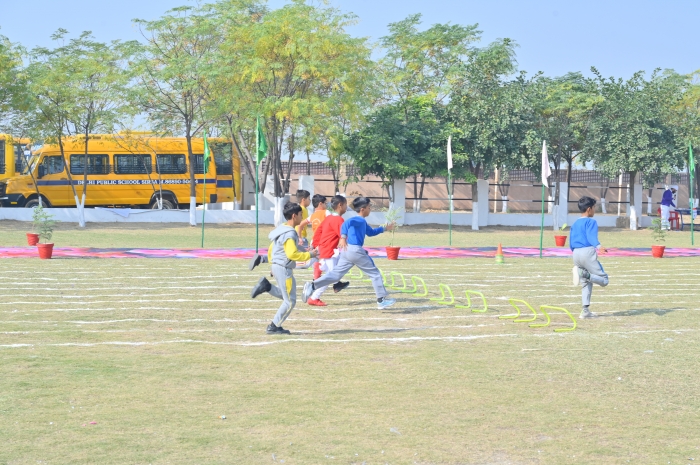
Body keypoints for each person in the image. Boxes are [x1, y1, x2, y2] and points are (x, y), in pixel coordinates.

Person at [302, 196, 396, 309]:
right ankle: (381, 300)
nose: (370, 209)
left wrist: (385, 228)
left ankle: (312, 286)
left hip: (347, 252)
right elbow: (346, 224)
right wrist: (342, 237)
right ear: (362, 209)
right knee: (374, 273)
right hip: (354, 250)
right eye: (369, 207)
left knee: (335, 275)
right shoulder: (358, 219)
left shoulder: (361, 221)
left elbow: (371, 232)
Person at [250, 202, 318, 335]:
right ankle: (273, 326)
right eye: (301, 214)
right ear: (294, 216)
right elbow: (292, 254)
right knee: (290, 301)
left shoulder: (283, 228)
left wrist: (303, 249)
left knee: (286, 295)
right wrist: (310, 255)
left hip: (278, 266)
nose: (302, 217)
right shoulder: (290, 233)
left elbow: (273, 249)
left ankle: (266, 286)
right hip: (284, 268)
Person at [307, 195, 350, 306]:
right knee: (331, 276)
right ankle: (313, 293)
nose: (347, 207)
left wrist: (314, 245)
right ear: (340, 205)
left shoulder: (329, 218)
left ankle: (331, 280)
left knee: (331, 274)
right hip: (329, 250)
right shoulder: (338, 219)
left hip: (325, 249)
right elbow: (343, 235)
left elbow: (318, 232)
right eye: (346, 204)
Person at [571, 196, 609, 319]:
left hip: (576, 253)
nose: (595, 210)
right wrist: (599, 246)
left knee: (585, 283)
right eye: (594, 207)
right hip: (587, 252)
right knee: (604, 280)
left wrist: (576, 252)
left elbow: (571, 241)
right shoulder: (591, 222)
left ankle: (585, 311)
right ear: (589, 209)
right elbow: (591, 236)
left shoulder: (575, 223)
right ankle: (584, 274)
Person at [309, 194, 329, 279]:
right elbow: (333, 221)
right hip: (323, 241)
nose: (326, 205)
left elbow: (302, 223)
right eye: (325, 203)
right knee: (325, 260)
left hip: (314, 241)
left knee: (316, 260)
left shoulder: (312, 215)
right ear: (320, 203)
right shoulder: (326, 212)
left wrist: (299, 236)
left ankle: (316, 279)